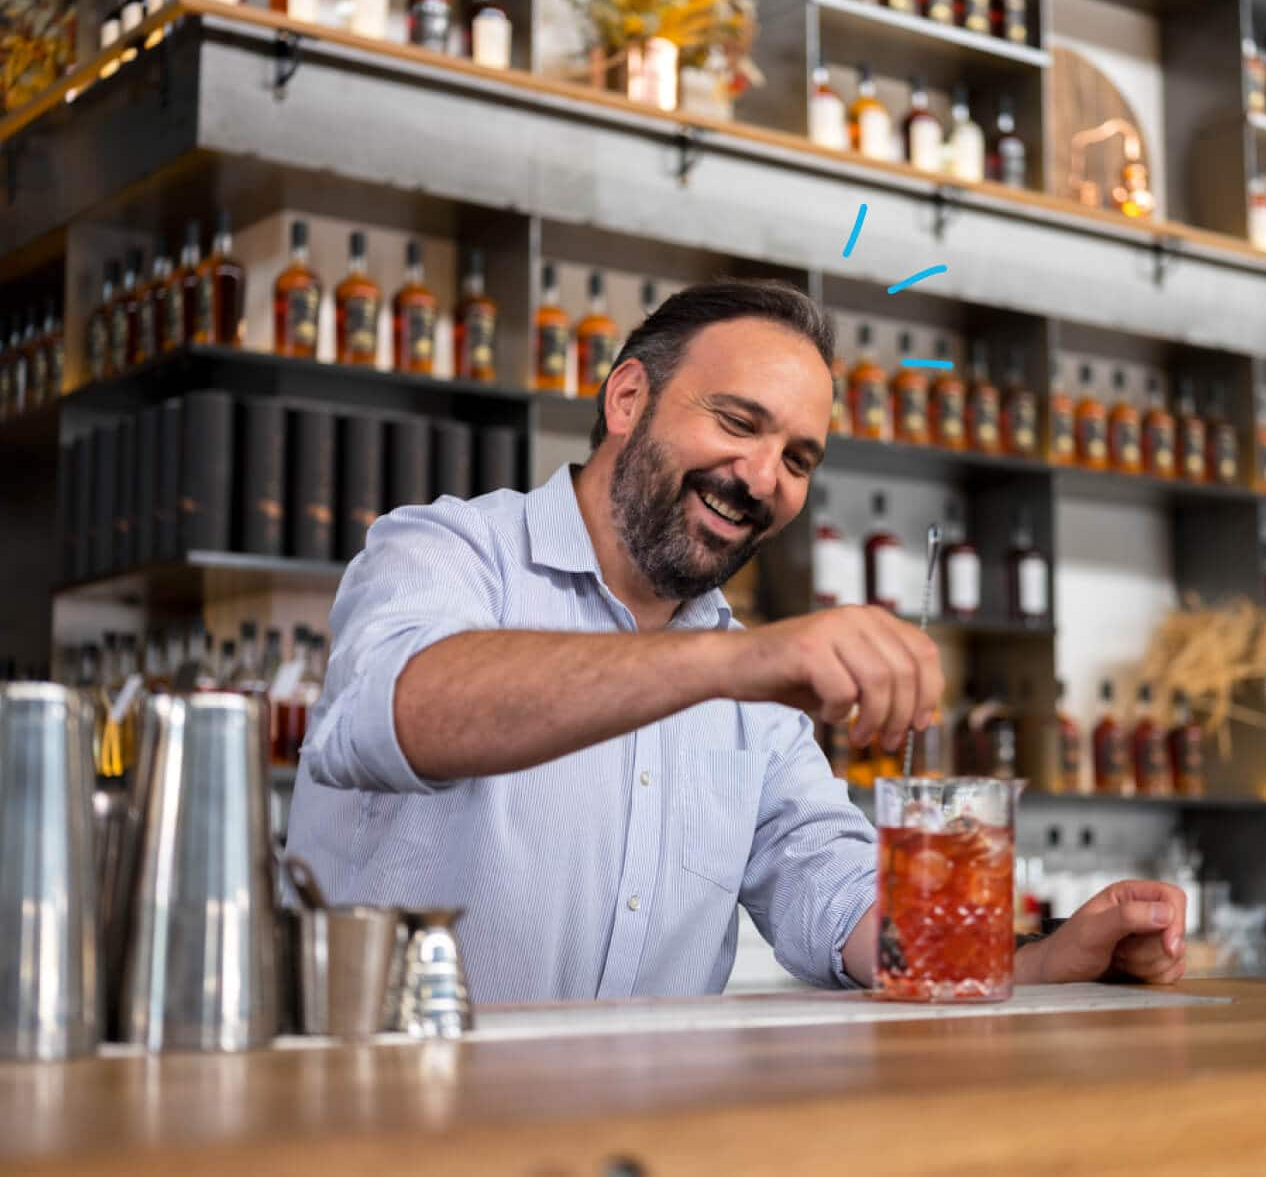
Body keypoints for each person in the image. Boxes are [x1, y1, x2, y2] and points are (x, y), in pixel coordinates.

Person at [285, 280, 1187, 1003]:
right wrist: (736, 664)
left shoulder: (748, 680)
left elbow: (836, 896)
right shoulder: (445, 551)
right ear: (629, 397)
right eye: (738, 422)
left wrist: (1046, 956)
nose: (763, 478)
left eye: (798, 458)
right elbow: (399, 711)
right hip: (402, 1128)